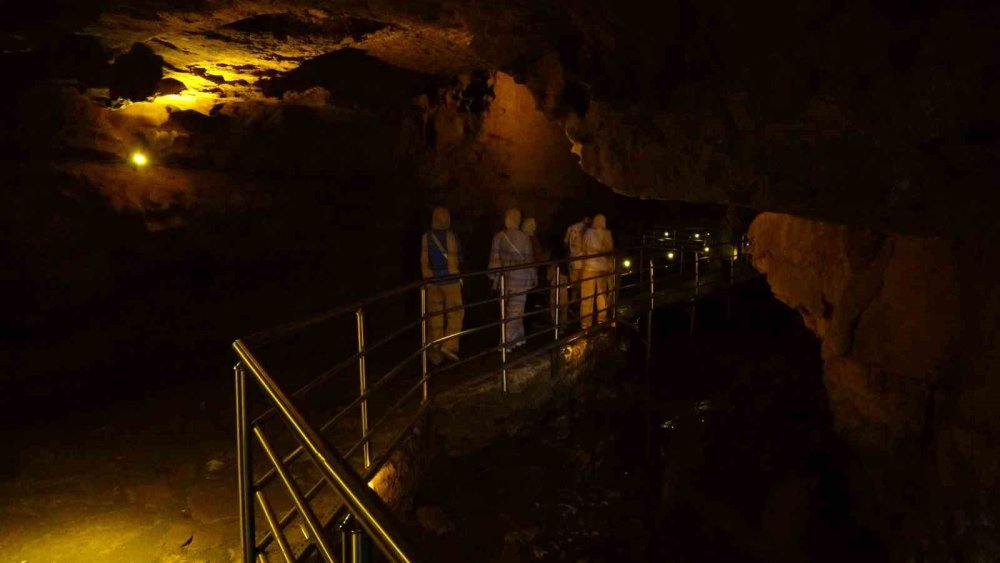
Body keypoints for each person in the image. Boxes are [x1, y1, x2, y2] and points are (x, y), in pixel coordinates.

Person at [420, 206, 464, 364]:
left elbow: (425, 260)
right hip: (450, 281)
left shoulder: (426, 237)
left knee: (435, 318)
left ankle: (435, 354)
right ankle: (450, 344)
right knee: (456, 313)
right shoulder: (451, 237)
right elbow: (460, 257)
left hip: (432, 282)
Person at [489, 208, 537, 351]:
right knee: (516, 311)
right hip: (521, 280)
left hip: (504, 279)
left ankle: (518, 337)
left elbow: (495, 260)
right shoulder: (525, 238)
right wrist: (533, 278)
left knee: (505, 311)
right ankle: (507, 343)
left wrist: (493, 278)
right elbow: (529, 261)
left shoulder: (498, 237)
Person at [580, 214, 614, 329]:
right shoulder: (606, 233)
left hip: (588, 267)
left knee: (586, 297)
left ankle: (586, 323)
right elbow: (609, 250)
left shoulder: (588, 232)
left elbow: (583, 247)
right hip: (602, 268)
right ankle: (601, 319)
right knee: (601, 296)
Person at [563, 216, 591, 310]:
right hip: (583, 261)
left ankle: (572, 304)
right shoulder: (588, 230)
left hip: (572, 260)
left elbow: (566, 243)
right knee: (581, 285)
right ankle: (579, 306)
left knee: (573, 284)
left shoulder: (571, 228)